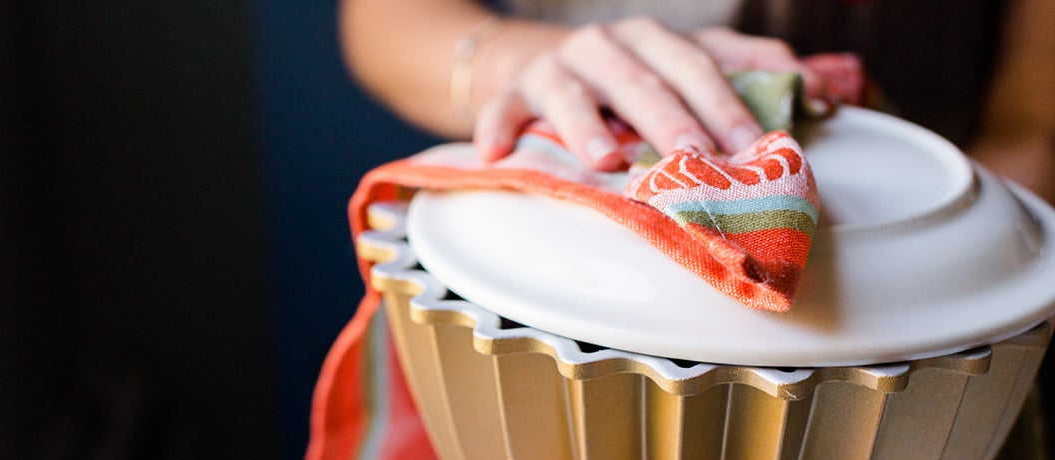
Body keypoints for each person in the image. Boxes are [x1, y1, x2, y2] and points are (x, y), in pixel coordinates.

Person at [338, 0, 1055, 203]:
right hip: (581, 302)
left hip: (922, 331)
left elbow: (1028, 128)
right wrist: (516, 60)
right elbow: (385, 18)